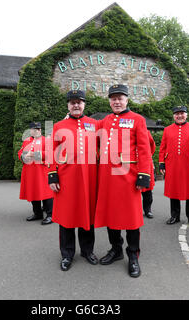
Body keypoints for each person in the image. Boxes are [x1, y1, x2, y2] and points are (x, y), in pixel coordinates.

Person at [95, 84, 152, 278]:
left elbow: (145, 149)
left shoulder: (138, 120)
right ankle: (116, 250)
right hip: (107, 178)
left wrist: (143, 175)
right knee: (111, 216)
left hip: (129, 177)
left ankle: (133, 255)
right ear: (109, 101)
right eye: (113, 98)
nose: (117, 101)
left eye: (120, 98)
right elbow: (88, 135)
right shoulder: (104, 121)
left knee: (131, 219)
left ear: (127, 99)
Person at [48, 90, 99, 271]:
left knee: (87, 216)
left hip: (89, 179)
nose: (76, 105)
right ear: (68, 105)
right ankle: (67, 254)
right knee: (66, 218)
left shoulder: (95, 124)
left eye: (79, 102)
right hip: (66, 179)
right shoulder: (58, 126)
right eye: (72, 102)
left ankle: (87, 251)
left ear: (84, 104)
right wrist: (52, 175)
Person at [159, 106, 189, 227]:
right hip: (172, 165)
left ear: (186, 115)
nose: (179, 116)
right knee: (173, 191)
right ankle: (175, 216)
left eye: (182, 113)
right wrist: (161, 163)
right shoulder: (167, 129)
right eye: (176, 114)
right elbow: (163, 148)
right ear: (173, 116)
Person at [18, 122, 54, 225]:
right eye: (34, 129)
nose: (37, 131)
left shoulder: (46, 140)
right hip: (30, 172)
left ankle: (50, 215)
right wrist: (24, 156)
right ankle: (37, 213)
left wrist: (35, 154)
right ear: (31, 131)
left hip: (42, 171)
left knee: (46, 193)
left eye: (38, 129)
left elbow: (50, 153)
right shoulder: (26, 141)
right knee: (33, 192)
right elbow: (20, 153)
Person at [141, 130, 156, 219]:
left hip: (145, 162)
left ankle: (148, 210)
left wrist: (147, 156)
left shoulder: (146, 132)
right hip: (131, 163)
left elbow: (152, 146)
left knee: (147, 190)